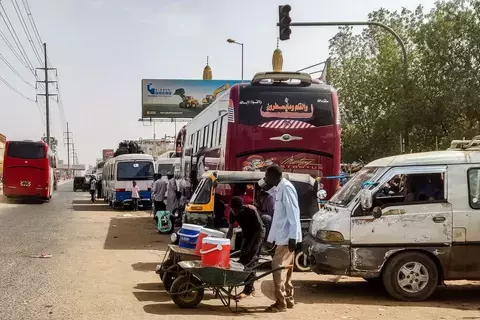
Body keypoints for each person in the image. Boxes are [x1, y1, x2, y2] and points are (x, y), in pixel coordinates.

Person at [264, 165, 301, 313]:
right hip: (281, 237)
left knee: (278, 268)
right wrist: (270, 238)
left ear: (274, 176)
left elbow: (293, 212)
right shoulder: (279, 189)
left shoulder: (286, 187)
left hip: (287, 238)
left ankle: (280, 303)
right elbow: (278, 217)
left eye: (267, 176)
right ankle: (289, 299)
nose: (265, 179)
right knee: (286, 269)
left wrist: (293, 236)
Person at [226, 196, 266, 299]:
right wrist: (225, 245)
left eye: (237, 210)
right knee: (243, 257)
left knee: (251, 259)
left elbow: (259, 229)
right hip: (247, 234)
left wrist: (251, 247)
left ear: (241, 208)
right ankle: (249, 285)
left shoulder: (251, 210)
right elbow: (230, 231)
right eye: (233, 210)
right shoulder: (232, 213)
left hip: (257, 234)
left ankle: (248, 289)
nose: (235, 212)